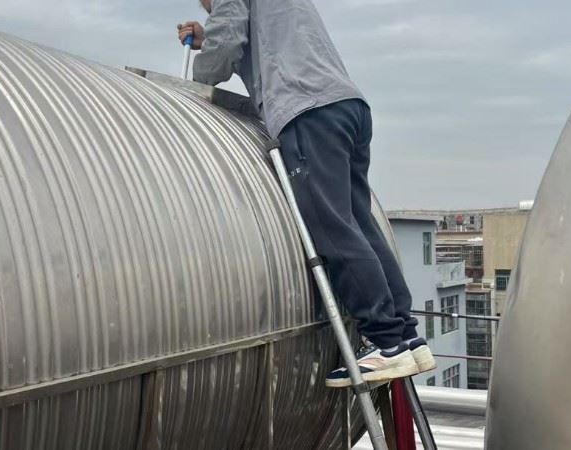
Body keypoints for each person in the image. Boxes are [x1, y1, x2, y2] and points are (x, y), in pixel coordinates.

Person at [177, 0, 436, 387]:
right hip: (345, 106)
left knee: (331, 228)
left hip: (305, 109)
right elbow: (257, 36)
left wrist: (196, 77)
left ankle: (386, 345)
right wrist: (208, 37)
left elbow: (222, 52)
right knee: (358, 224)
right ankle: (407, 338)